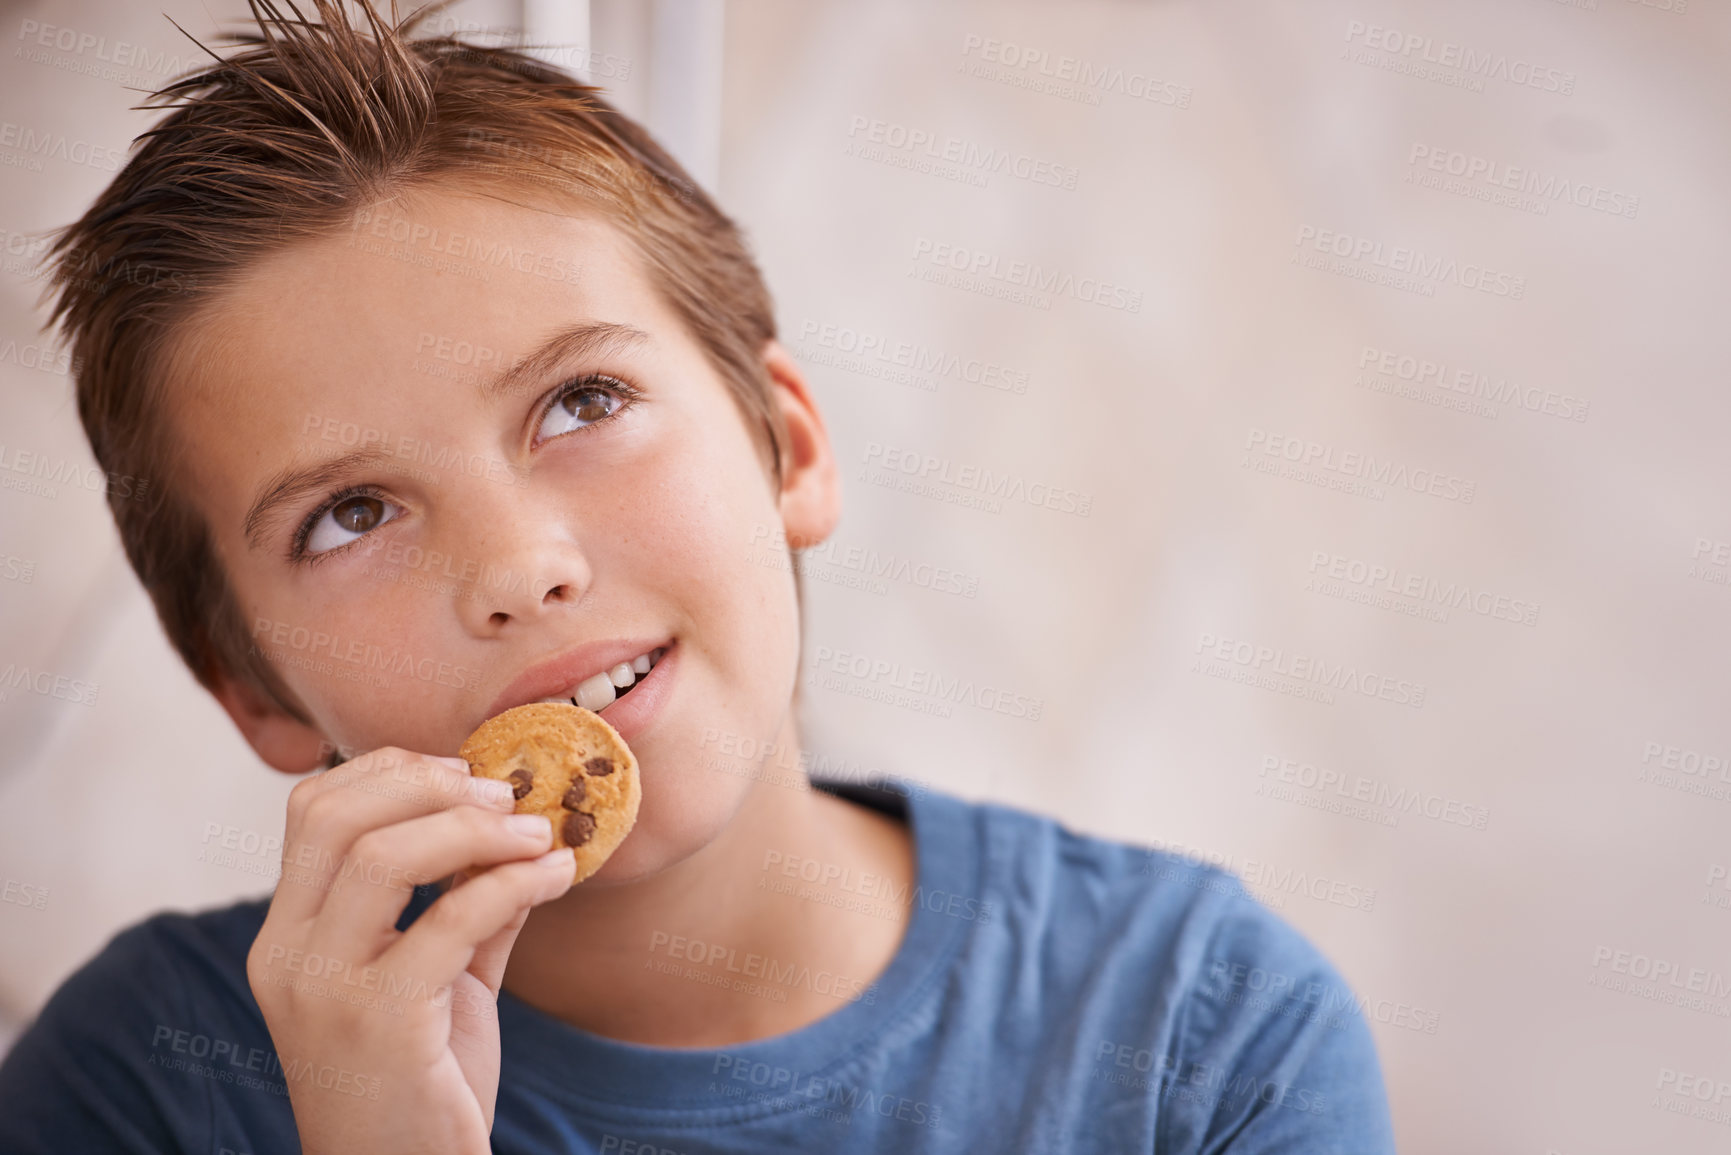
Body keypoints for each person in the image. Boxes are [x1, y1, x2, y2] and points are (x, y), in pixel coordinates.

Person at [0, 3, 1397, 1151]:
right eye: (351, 512)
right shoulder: (145, 1089)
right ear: (250, 687)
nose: (519, 568)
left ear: (786, 444)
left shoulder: (1203, 1039)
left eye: (581, 403)